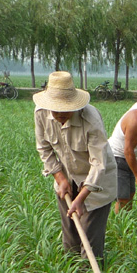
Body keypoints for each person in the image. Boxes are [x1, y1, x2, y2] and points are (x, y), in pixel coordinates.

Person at [34, 71, 117, 262]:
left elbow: (98, 163)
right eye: (56, 111)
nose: (60, 115)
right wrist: (60, 178)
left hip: (96, 184)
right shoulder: (41, 113)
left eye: (66, 111)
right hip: (66, 179)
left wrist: (81, 197)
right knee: (70, 238)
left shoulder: (91, 119)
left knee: (89, 242)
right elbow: (44, 148)